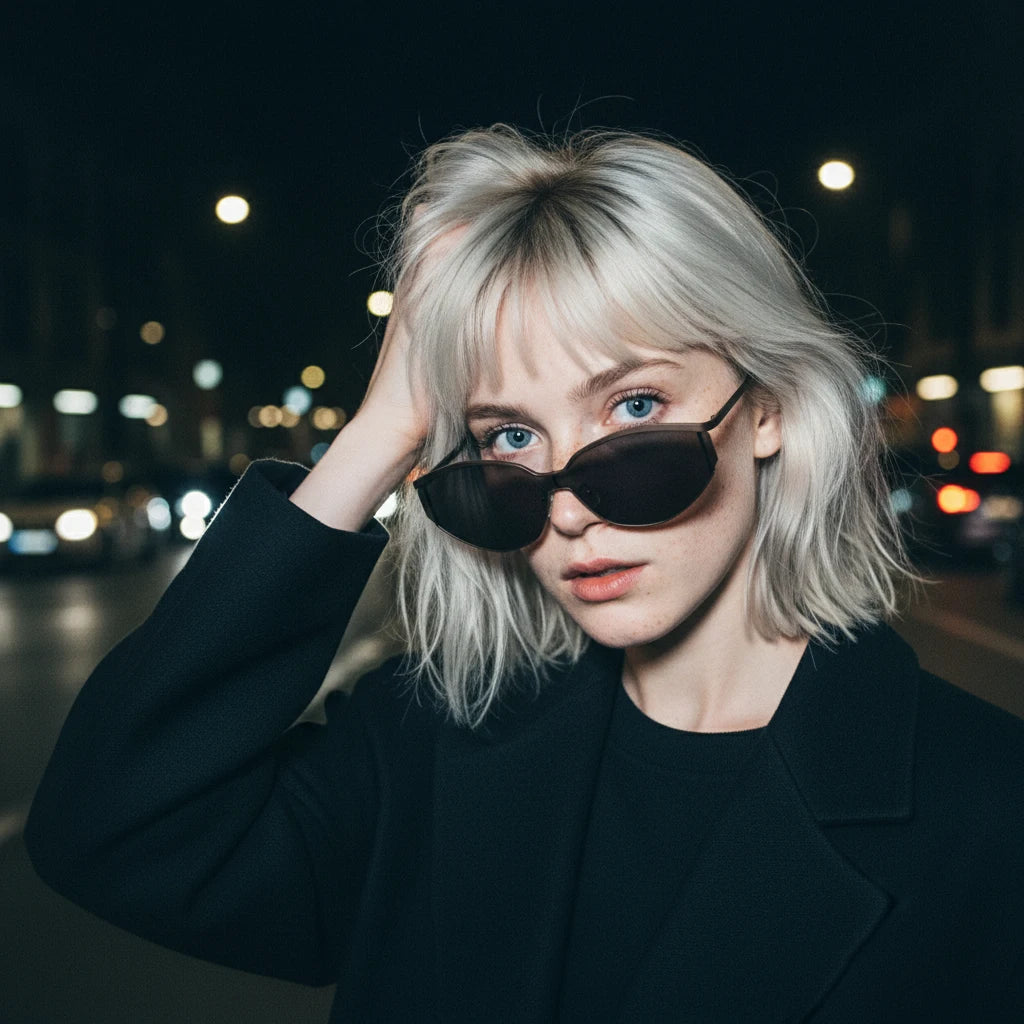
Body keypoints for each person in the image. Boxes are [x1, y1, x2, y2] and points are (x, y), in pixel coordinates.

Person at [25, 125, 1024, 1022]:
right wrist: (382, 428)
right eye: (509, 434)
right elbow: (110, 830)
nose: (569, 503)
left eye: (633, 408)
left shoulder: (986, 808)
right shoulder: (433, 741)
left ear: (765, 407)